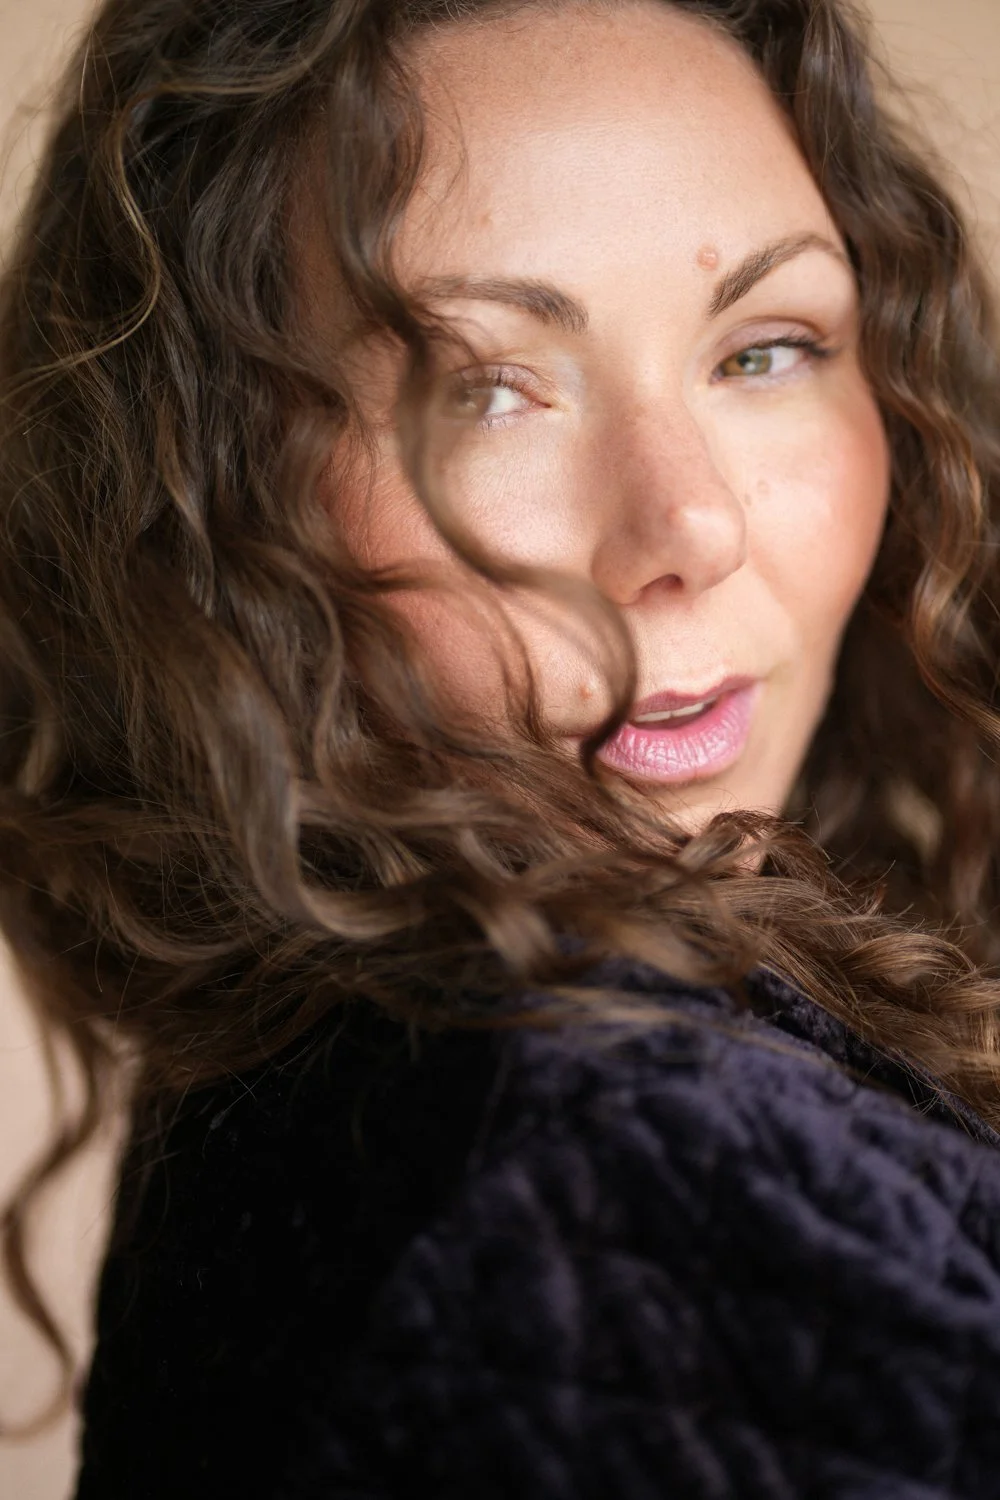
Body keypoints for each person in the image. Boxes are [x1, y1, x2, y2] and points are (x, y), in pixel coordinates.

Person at [2, 0, 1000, 1493]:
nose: (690, 524)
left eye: (765, 351)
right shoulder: (611, 1159)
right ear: (210, 515)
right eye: (485, 389)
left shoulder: (384, 1082)